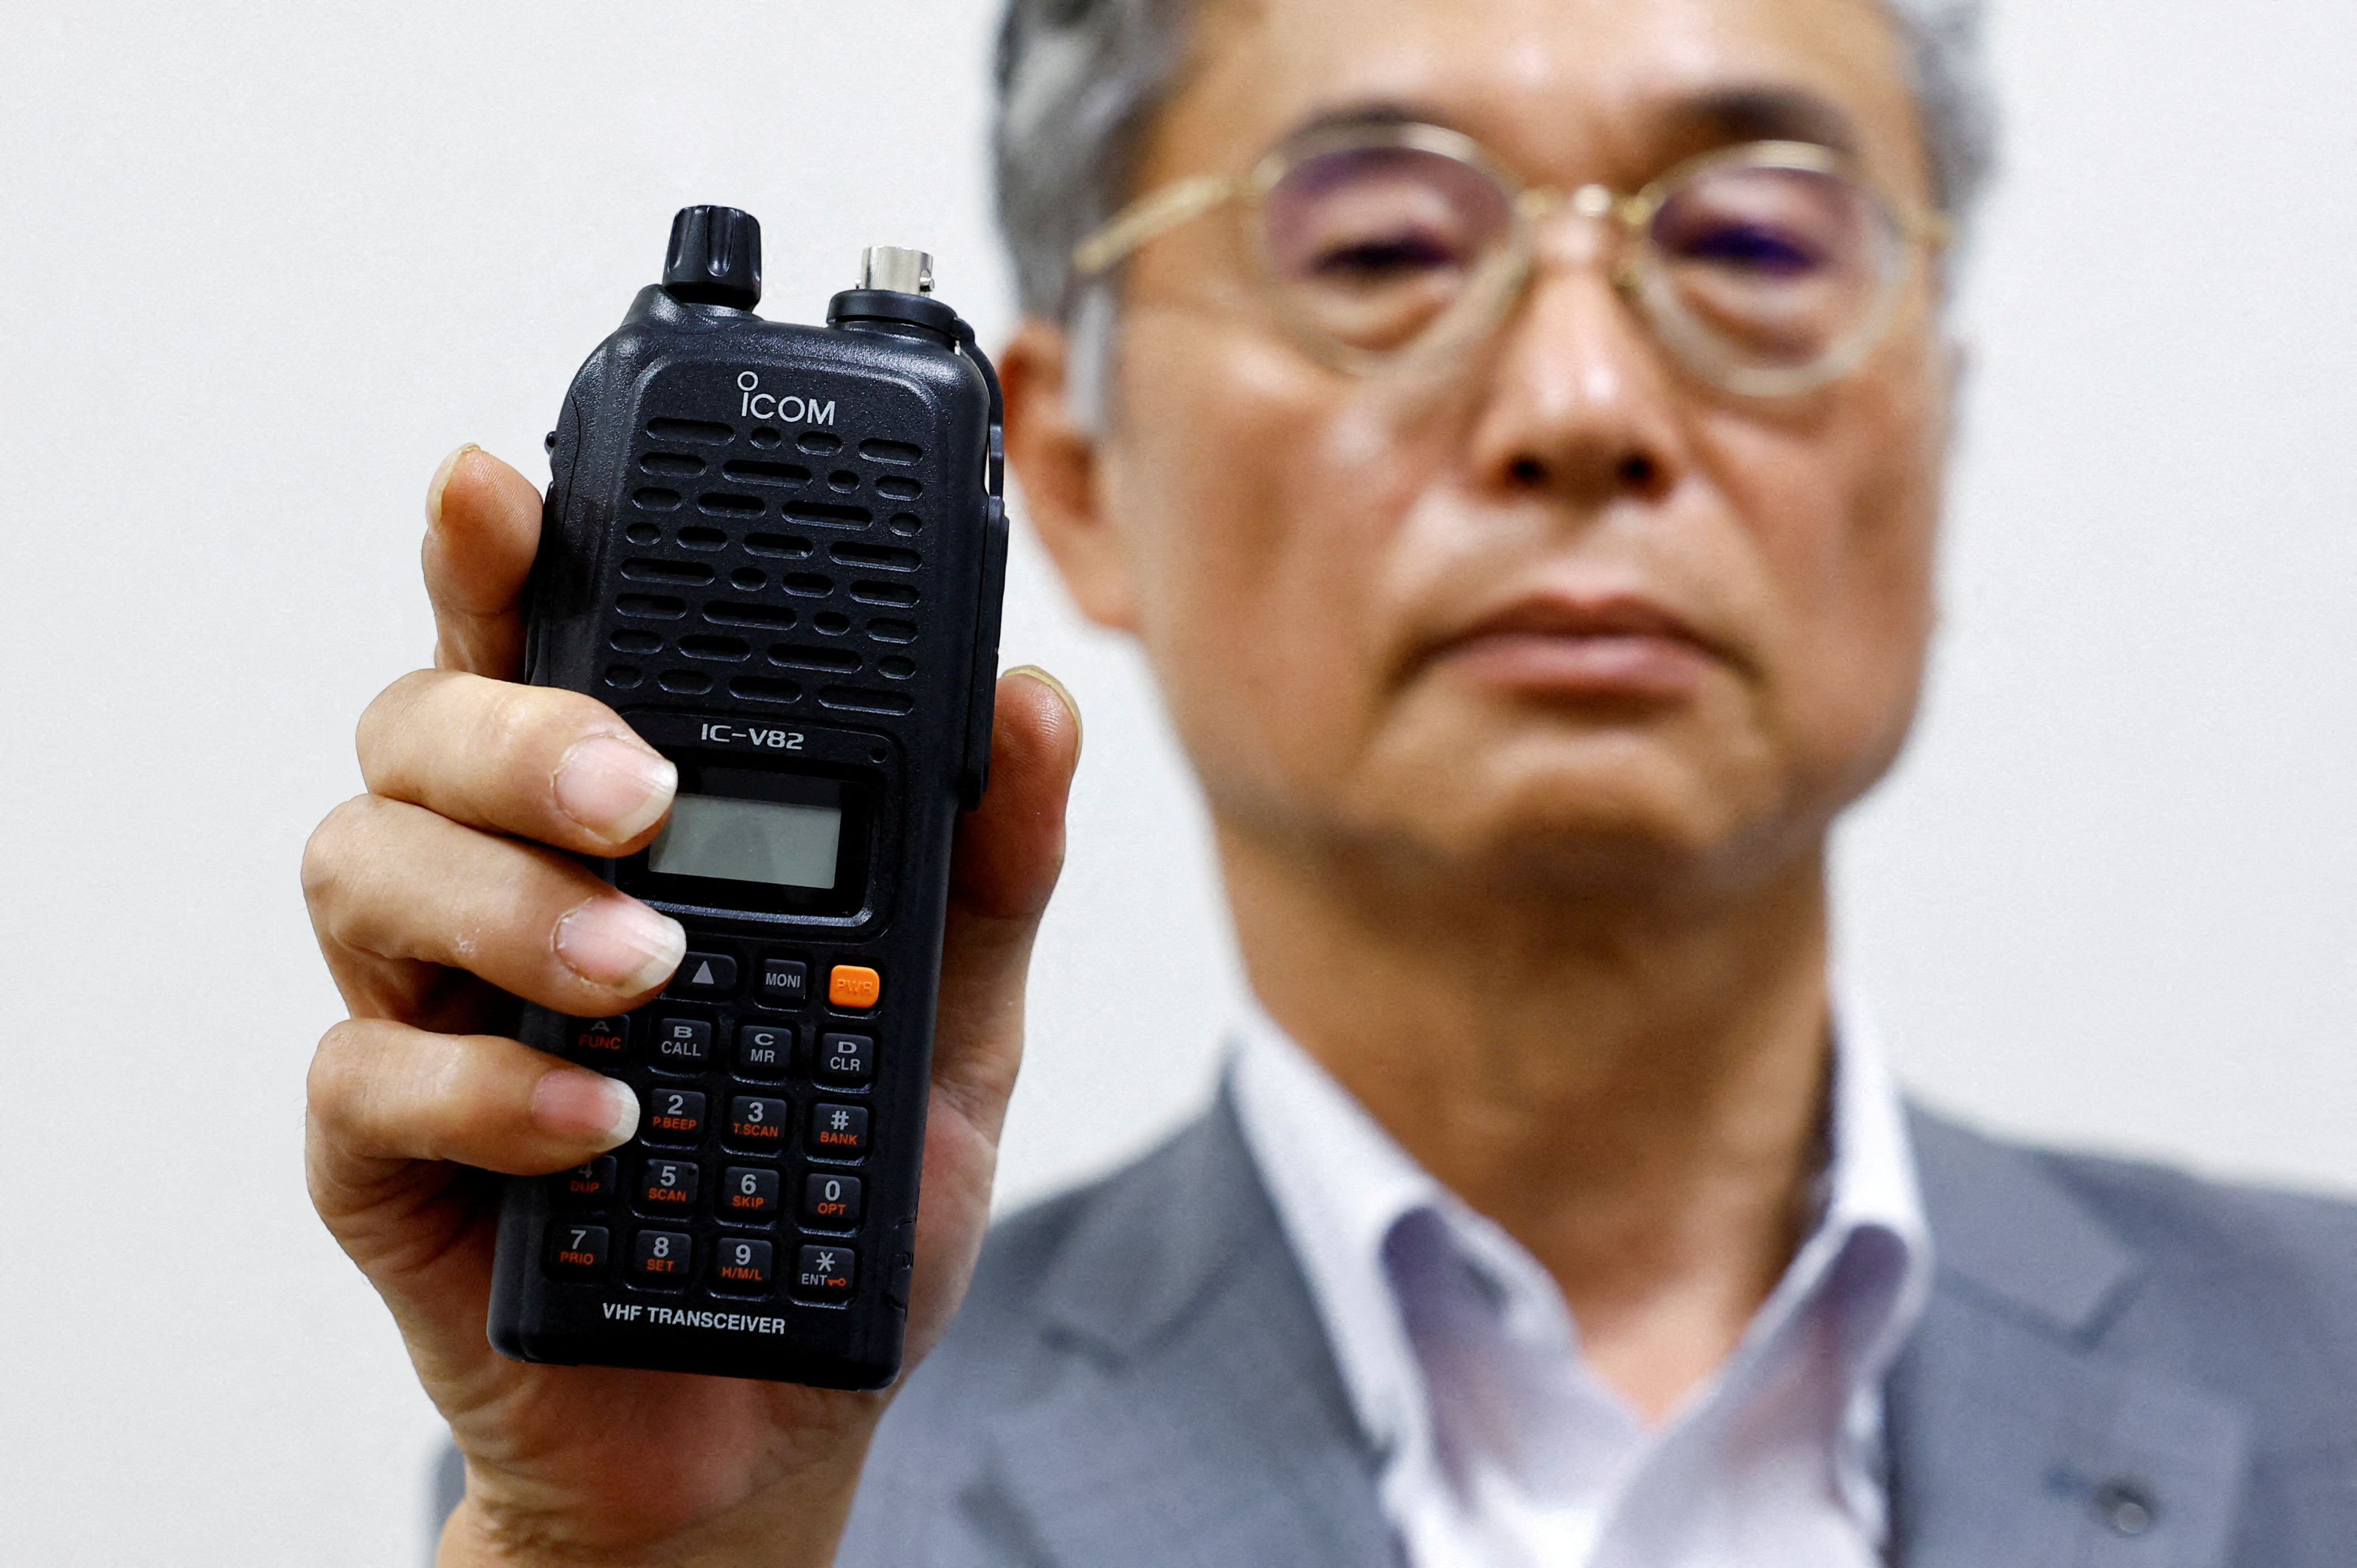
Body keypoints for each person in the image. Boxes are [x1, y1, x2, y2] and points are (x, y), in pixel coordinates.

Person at [301, 0, 2357, 1561]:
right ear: (1067, 478)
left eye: (1746, 240)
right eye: (1380, 248)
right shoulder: (753, 1465)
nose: (1582, 405)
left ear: (1935, 425)